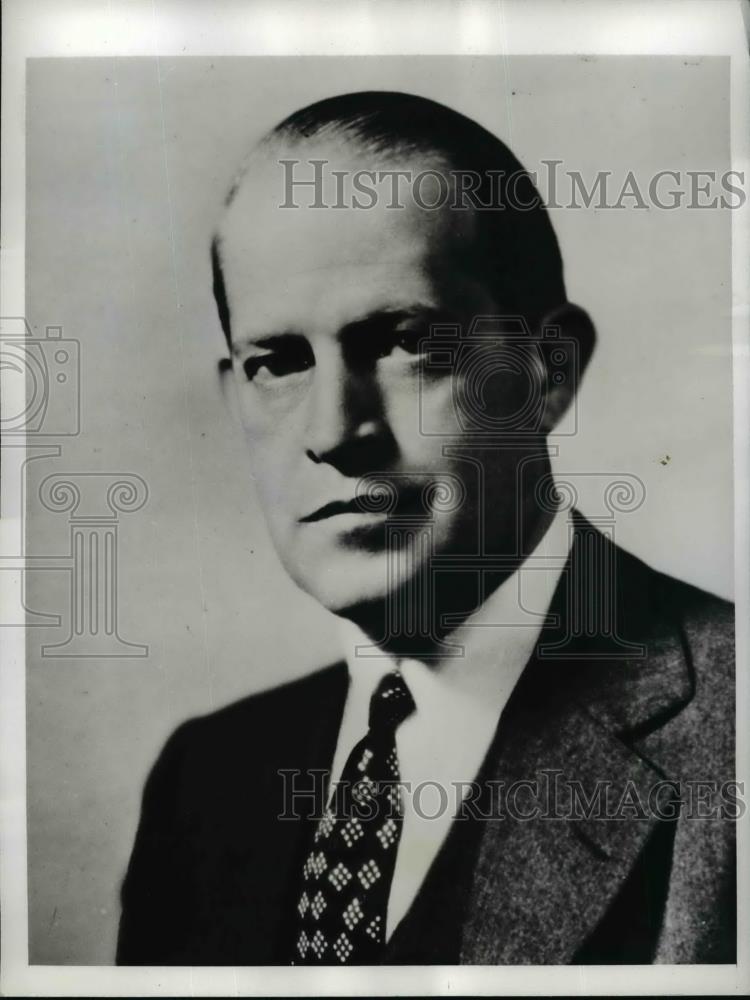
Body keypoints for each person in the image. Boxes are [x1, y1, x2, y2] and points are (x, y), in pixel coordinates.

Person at [116, 91, 736, 966]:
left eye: (401, 343)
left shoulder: (732, 729)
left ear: (545, 373)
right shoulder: (207, 779)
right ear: (235, 397)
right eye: (279, 363)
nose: (333, 431)